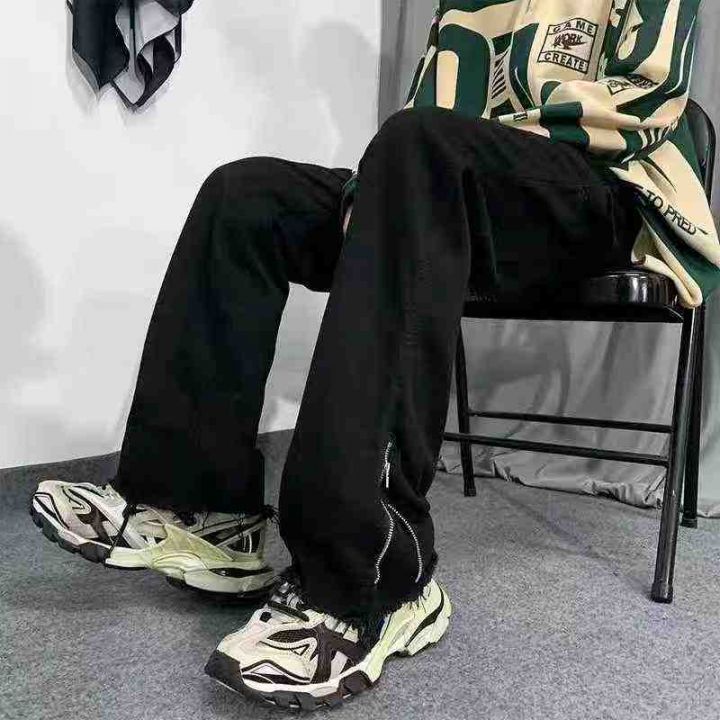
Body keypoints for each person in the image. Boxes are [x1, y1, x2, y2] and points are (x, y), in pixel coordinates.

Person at [31, 0, 718, 710]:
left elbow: (647, 100)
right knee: (248, 194)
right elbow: (432, 109)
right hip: (455, 179)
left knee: (421, 152)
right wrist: (375, 189)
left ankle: (368, 578)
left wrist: (468, 148)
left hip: (598, 190)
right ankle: (197, 504)